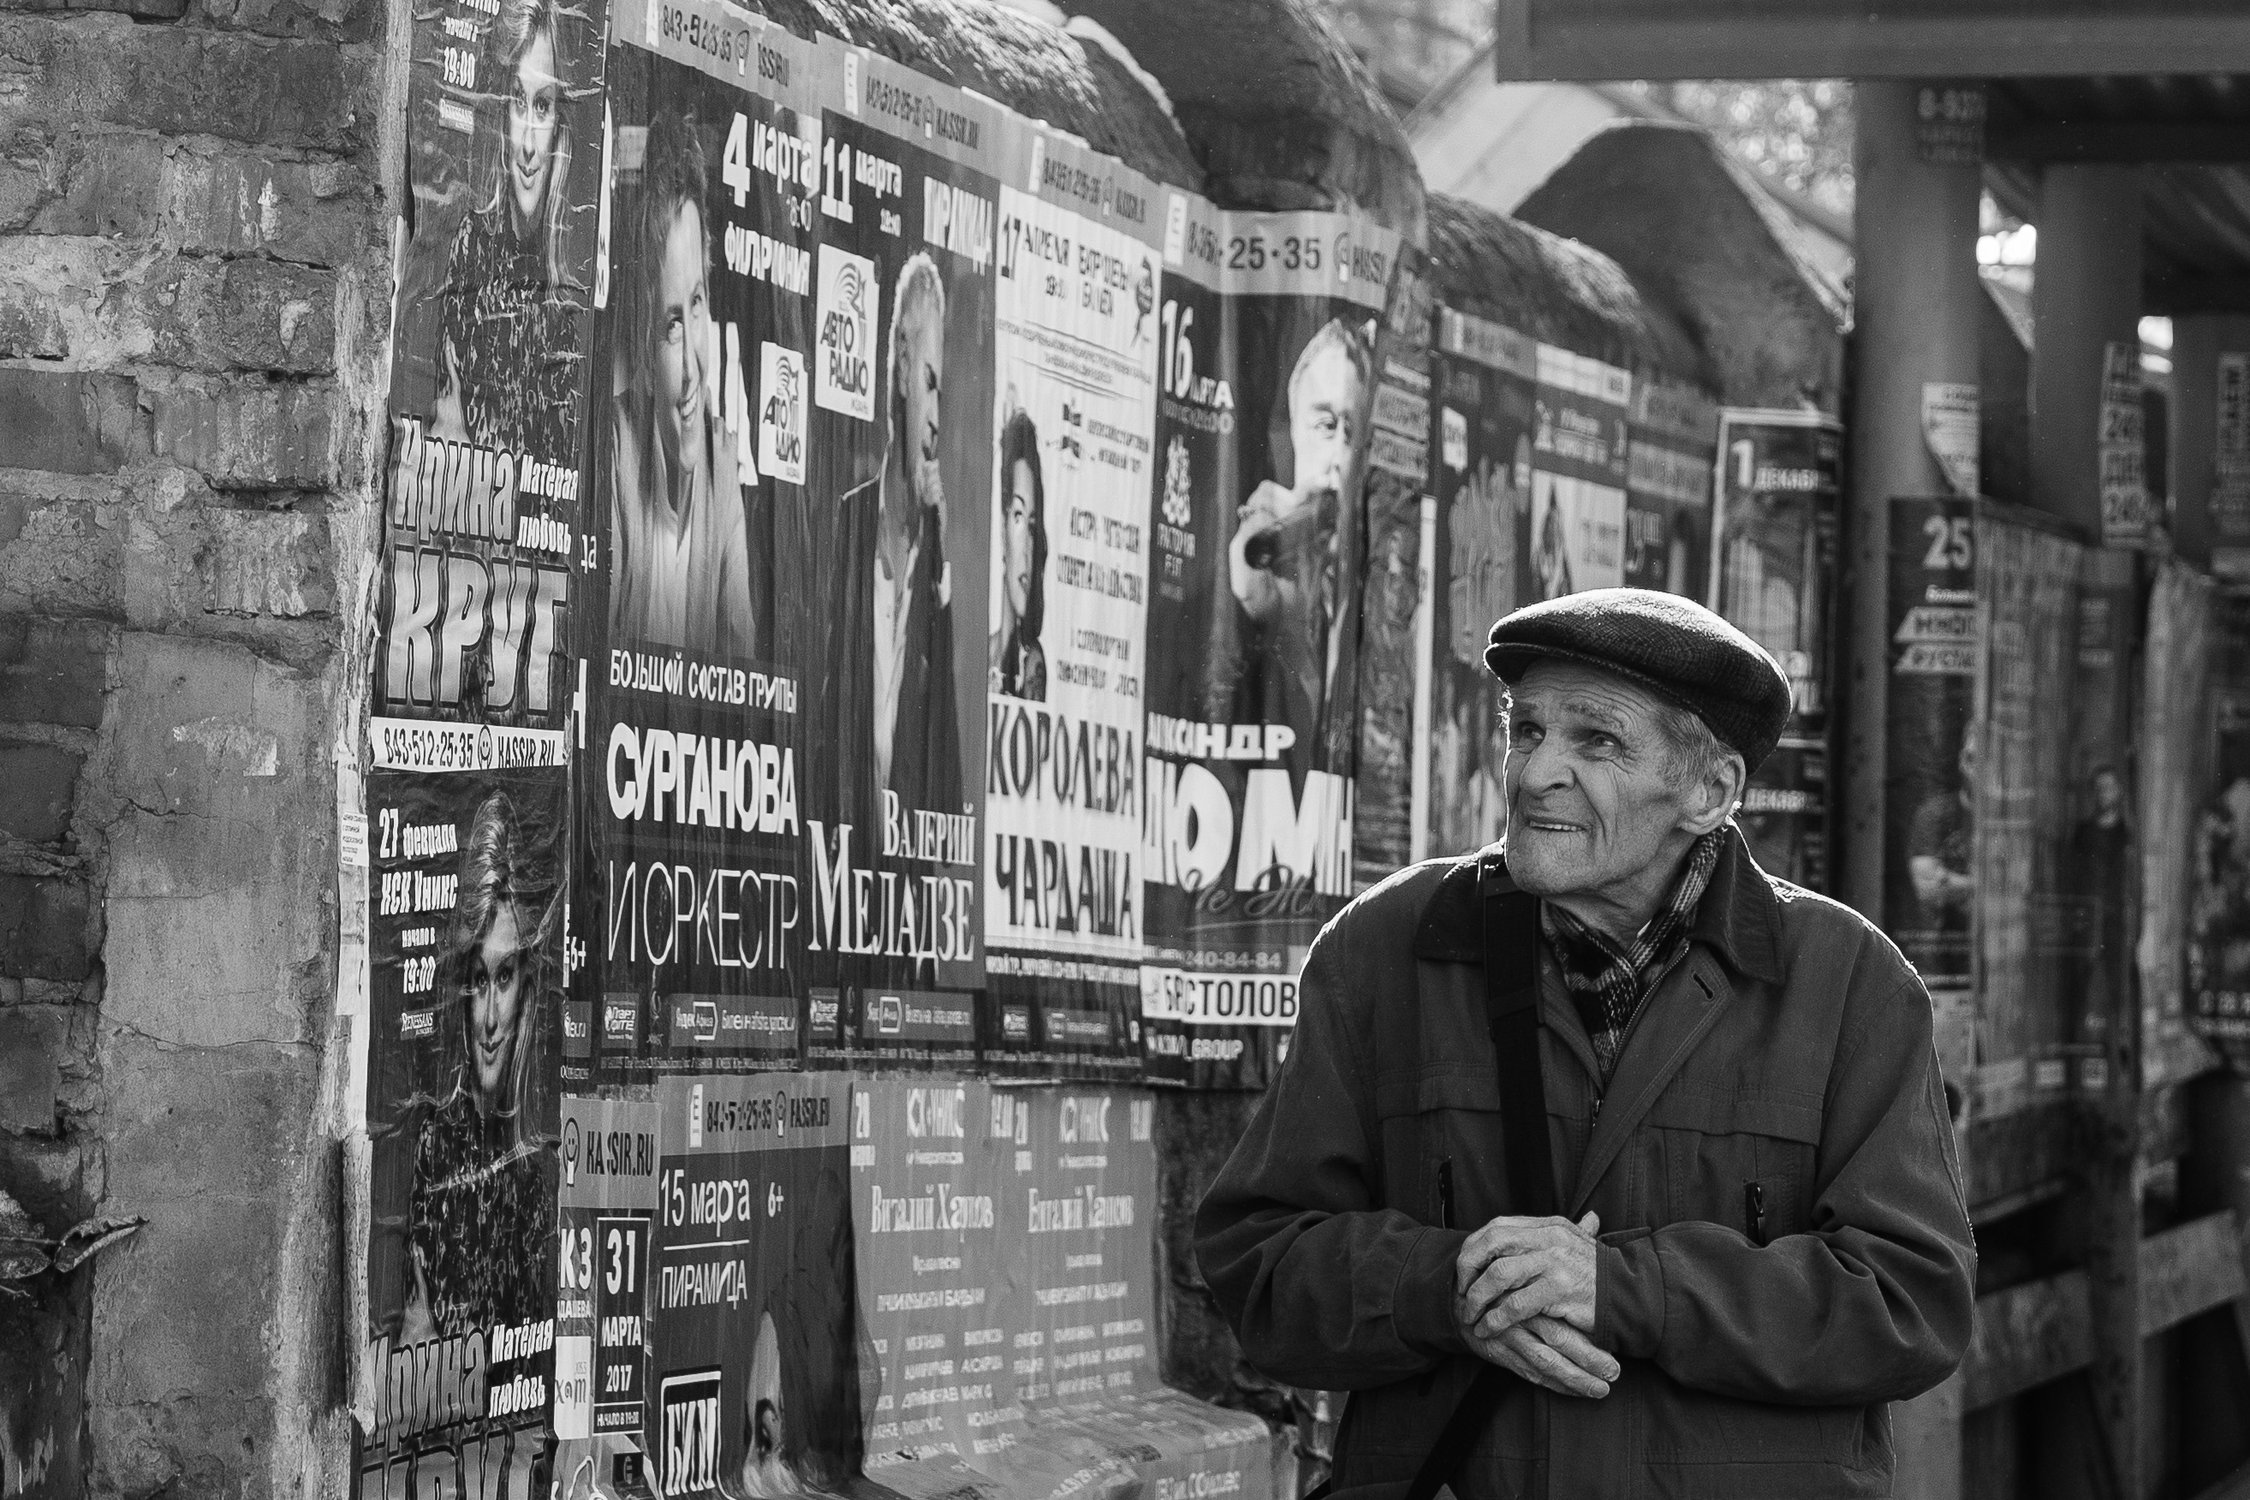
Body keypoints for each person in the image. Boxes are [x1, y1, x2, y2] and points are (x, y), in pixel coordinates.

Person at [1197, 587, 1975, 1499]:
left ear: (1710, 792)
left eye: (1595, 742)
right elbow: (1260, 1264)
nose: (1535, 774)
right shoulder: (1385, 950)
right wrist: (1451, 1287)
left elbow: (1911, 1300)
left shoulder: (1848, 985)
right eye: (1526, 730)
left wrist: (1628, 1290)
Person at [404, 791, 559, 1342]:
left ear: (527, 988)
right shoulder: (434, 1148)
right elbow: (416, 1337)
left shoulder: (539, 1168)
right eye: (479, 980)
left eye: (505, 977)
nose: (490, 1018)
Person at [607, 111, 759, 660]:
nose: (694, 366)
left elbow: (741, 664)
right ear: (644, 350)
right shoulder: (615, 449)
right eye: (672, 324)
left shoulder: (721, 466)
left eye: (697, 304)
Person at [829, 253, 961, 823]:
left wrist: (939, 558)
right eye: (930, 383)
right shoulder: (852, 522)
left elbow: (947, 785)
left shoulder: (933, 563)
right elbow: (829, 719)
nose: (936, 420)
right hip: (846, 851)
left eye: (943, 397)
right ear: (904, 367)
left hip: (906, 863)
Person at [425, 0, 586, 455]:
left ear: (560, 127)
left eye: (543, 106)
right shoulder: (472, 247)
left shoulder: (563, 301)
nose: (529, 145)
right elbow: (447, 427)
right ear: (501, 113)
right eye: (519, 101)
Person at [1227, 317, 1371, 743]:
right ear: (1292, 430)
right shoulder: (1269, 534)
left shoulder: (1365, 576)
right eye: (1326, 426)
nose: (1338, 456)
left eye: (1351, 433)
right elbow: (1251, 593)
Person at [989, 410, 1049, 701]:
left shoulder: (1033, 664)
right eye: (1018, 517)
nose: (1027, 548)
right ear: (1002, 528)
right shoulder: (983, 652)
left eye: (1033, 526)